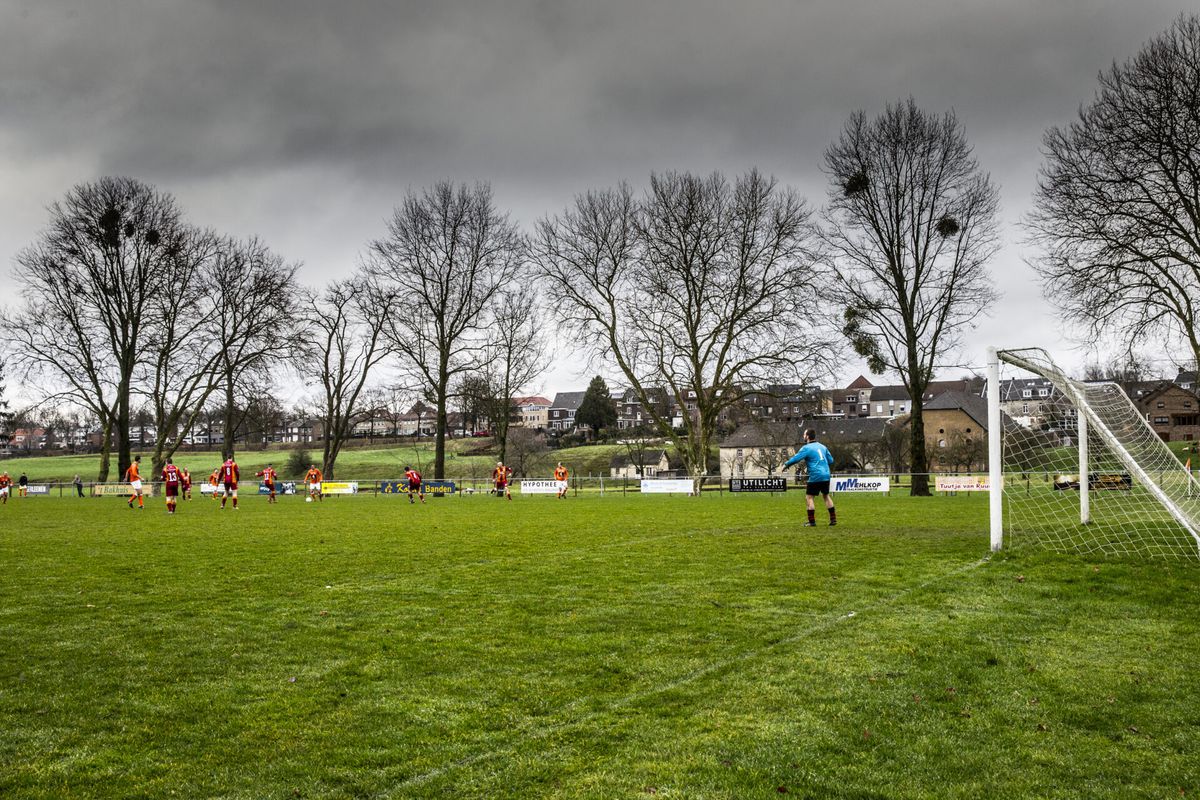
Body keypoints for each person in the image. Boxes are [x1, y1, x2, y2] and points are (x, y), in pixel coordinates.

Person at [783, 428, 837, 527]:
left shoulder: (806, 448)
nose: (803, 436)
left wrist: (786, 464)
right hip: (826, 475)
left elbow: (796, 458)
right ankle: (833, 520)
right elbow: (831, 460)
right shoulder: (823, 447)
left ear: (807, 436)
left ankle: (812, 522)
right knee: (826, 495)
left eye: (804, 435)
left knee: (809, 497)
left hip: (816, 475)